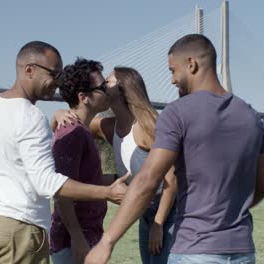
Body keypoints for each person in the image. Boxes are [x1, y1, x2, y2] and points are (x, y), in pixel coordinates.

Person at [85, 34, 264, 264]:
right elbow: (262, 186)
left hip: (195, 251)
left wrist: (107, 242)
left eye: (173, 70)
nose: (172, 80)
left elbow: (147, 181)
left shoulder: (177, 113)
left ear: (191, 64)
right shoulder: (251, 116)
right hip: (243, 252)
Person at [0, 41, 127, 264]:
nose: (59, 82)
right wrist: (107, 193)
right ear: (29, 70)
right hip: (20, 227)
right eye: (54, 73)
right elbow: (46, 183)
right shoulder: (31, 116)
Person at [53, 66, 177, 264]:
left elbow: (172, 177)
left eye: (107, 83)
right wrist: (59, 113)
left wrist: (158, 224)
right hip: (144, 210)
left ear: (123, 89)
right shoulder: (108, 127)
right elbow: (71, 124)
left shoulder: (147, 127)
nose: (102, 86)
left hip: (167, 213)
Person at [49, 58, 112, 264]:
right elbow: (62, 191)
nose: (107, 90)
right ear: (83, 97)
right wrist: (77, 237)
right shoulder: (73, 132)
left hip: (85, 236)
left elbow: (84, 179)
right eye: (102, 87)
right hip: (74, 243)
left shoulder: (80, 130)